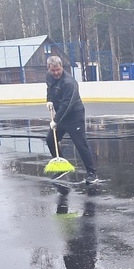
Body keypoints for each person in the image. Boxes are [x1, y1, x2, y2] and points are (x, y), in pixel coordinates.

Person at [45, 55, 99, 184]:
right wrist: (49, 100)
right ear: (49, 69)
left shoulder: (69, 83)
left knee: (80, 144)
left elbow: (67, 105)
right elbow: (49, 89)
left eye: (58, 70)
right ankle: (62, 167)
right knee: (50, 140)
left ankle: (92, 173)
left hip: (74, 116)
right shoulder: (49, 76)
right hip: (61, 116)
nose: (55, 73)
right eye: (53, 70)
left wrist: (55, 120)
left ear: (61, 67)